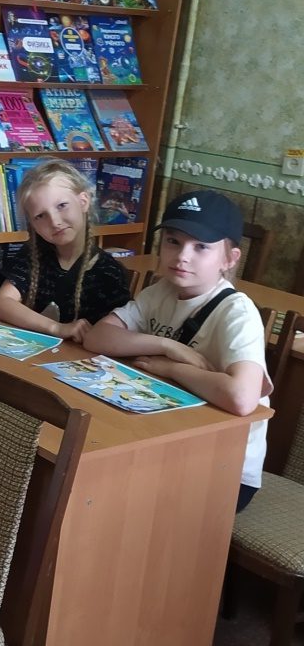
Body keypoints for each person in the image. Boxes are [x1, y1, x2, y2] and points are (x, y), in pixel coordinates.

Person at [84, 190, 270, 512]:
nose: (182, 256)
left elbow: (242, 398)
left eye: (201, 247)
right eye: (173, 241)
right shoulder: (161, 291)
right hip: (172, 436)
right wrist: (167, 345)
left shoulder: (237, 313)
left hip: (225, 469)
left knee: (109, 495)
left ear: (229, 259)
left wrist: (171, 368)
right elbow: (97, 338)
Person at [0, 159, 130, 342]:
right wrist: (56, 328)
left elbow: (115, 335)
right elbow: (2, 303)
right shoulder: (34, 255)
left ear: (83, 201)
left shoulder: (108, 272)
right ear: (33, 225)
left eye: (62, 206)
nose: (55, 222)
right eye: (40, 216)